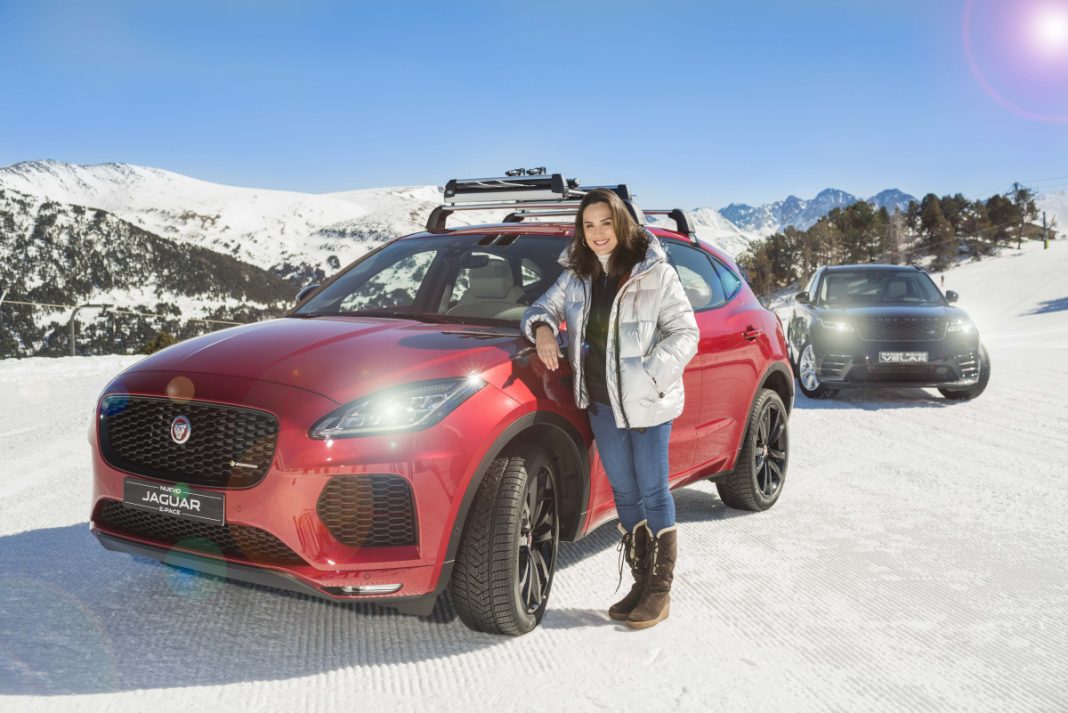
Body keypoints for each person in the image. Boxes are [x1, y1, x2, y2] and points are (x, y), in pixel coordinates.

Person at [520, 188, 699, 629]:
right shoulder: (577, 275)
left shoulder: (654, 272)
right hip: (601, 404)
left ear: (621, 223)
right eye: (588, 225)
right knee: (624, 494)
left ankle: (659, 590)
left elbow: (685, 333)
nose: (598, 233)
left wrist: (650, 375)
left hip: (647, 404)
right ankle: (640, 583)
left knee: (653, 491)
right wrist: (543, 329)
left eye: (605, 223)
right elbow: (542, 307)